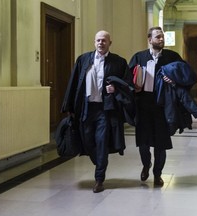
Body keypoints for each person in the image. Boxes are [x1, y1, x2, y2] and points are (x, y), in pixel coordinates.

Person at [61, 30, 132, 193]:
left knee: (101, 142)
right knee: (87, 140)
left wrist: (115, 88)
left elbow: (127, 84)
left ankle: (99, 178)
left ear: (110, 43)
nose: (101, 43)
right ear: (94, 42)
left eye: (104, 41)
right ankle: (99, 161)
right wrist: (69, 107)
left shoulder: (119, 62)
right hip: (86, 108)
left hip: (105, 110)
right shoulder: (84, 59)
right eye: (98, 40)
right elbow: (74, 83)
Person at [129, 26, 184, 187]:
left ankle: (158, 174)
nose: (161, 39)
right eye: (158, 37)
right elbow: (128, 78)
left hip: (162, 107)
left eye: (162, 37)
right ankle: (146, 164)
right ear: (149, 39)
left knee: (160, 144)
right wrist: (135, 87)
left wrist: (174, 81)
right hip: (143, 105)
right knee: (143, 143)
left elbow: (184, 76)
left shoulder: (172, 57)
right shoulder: (139, 57)